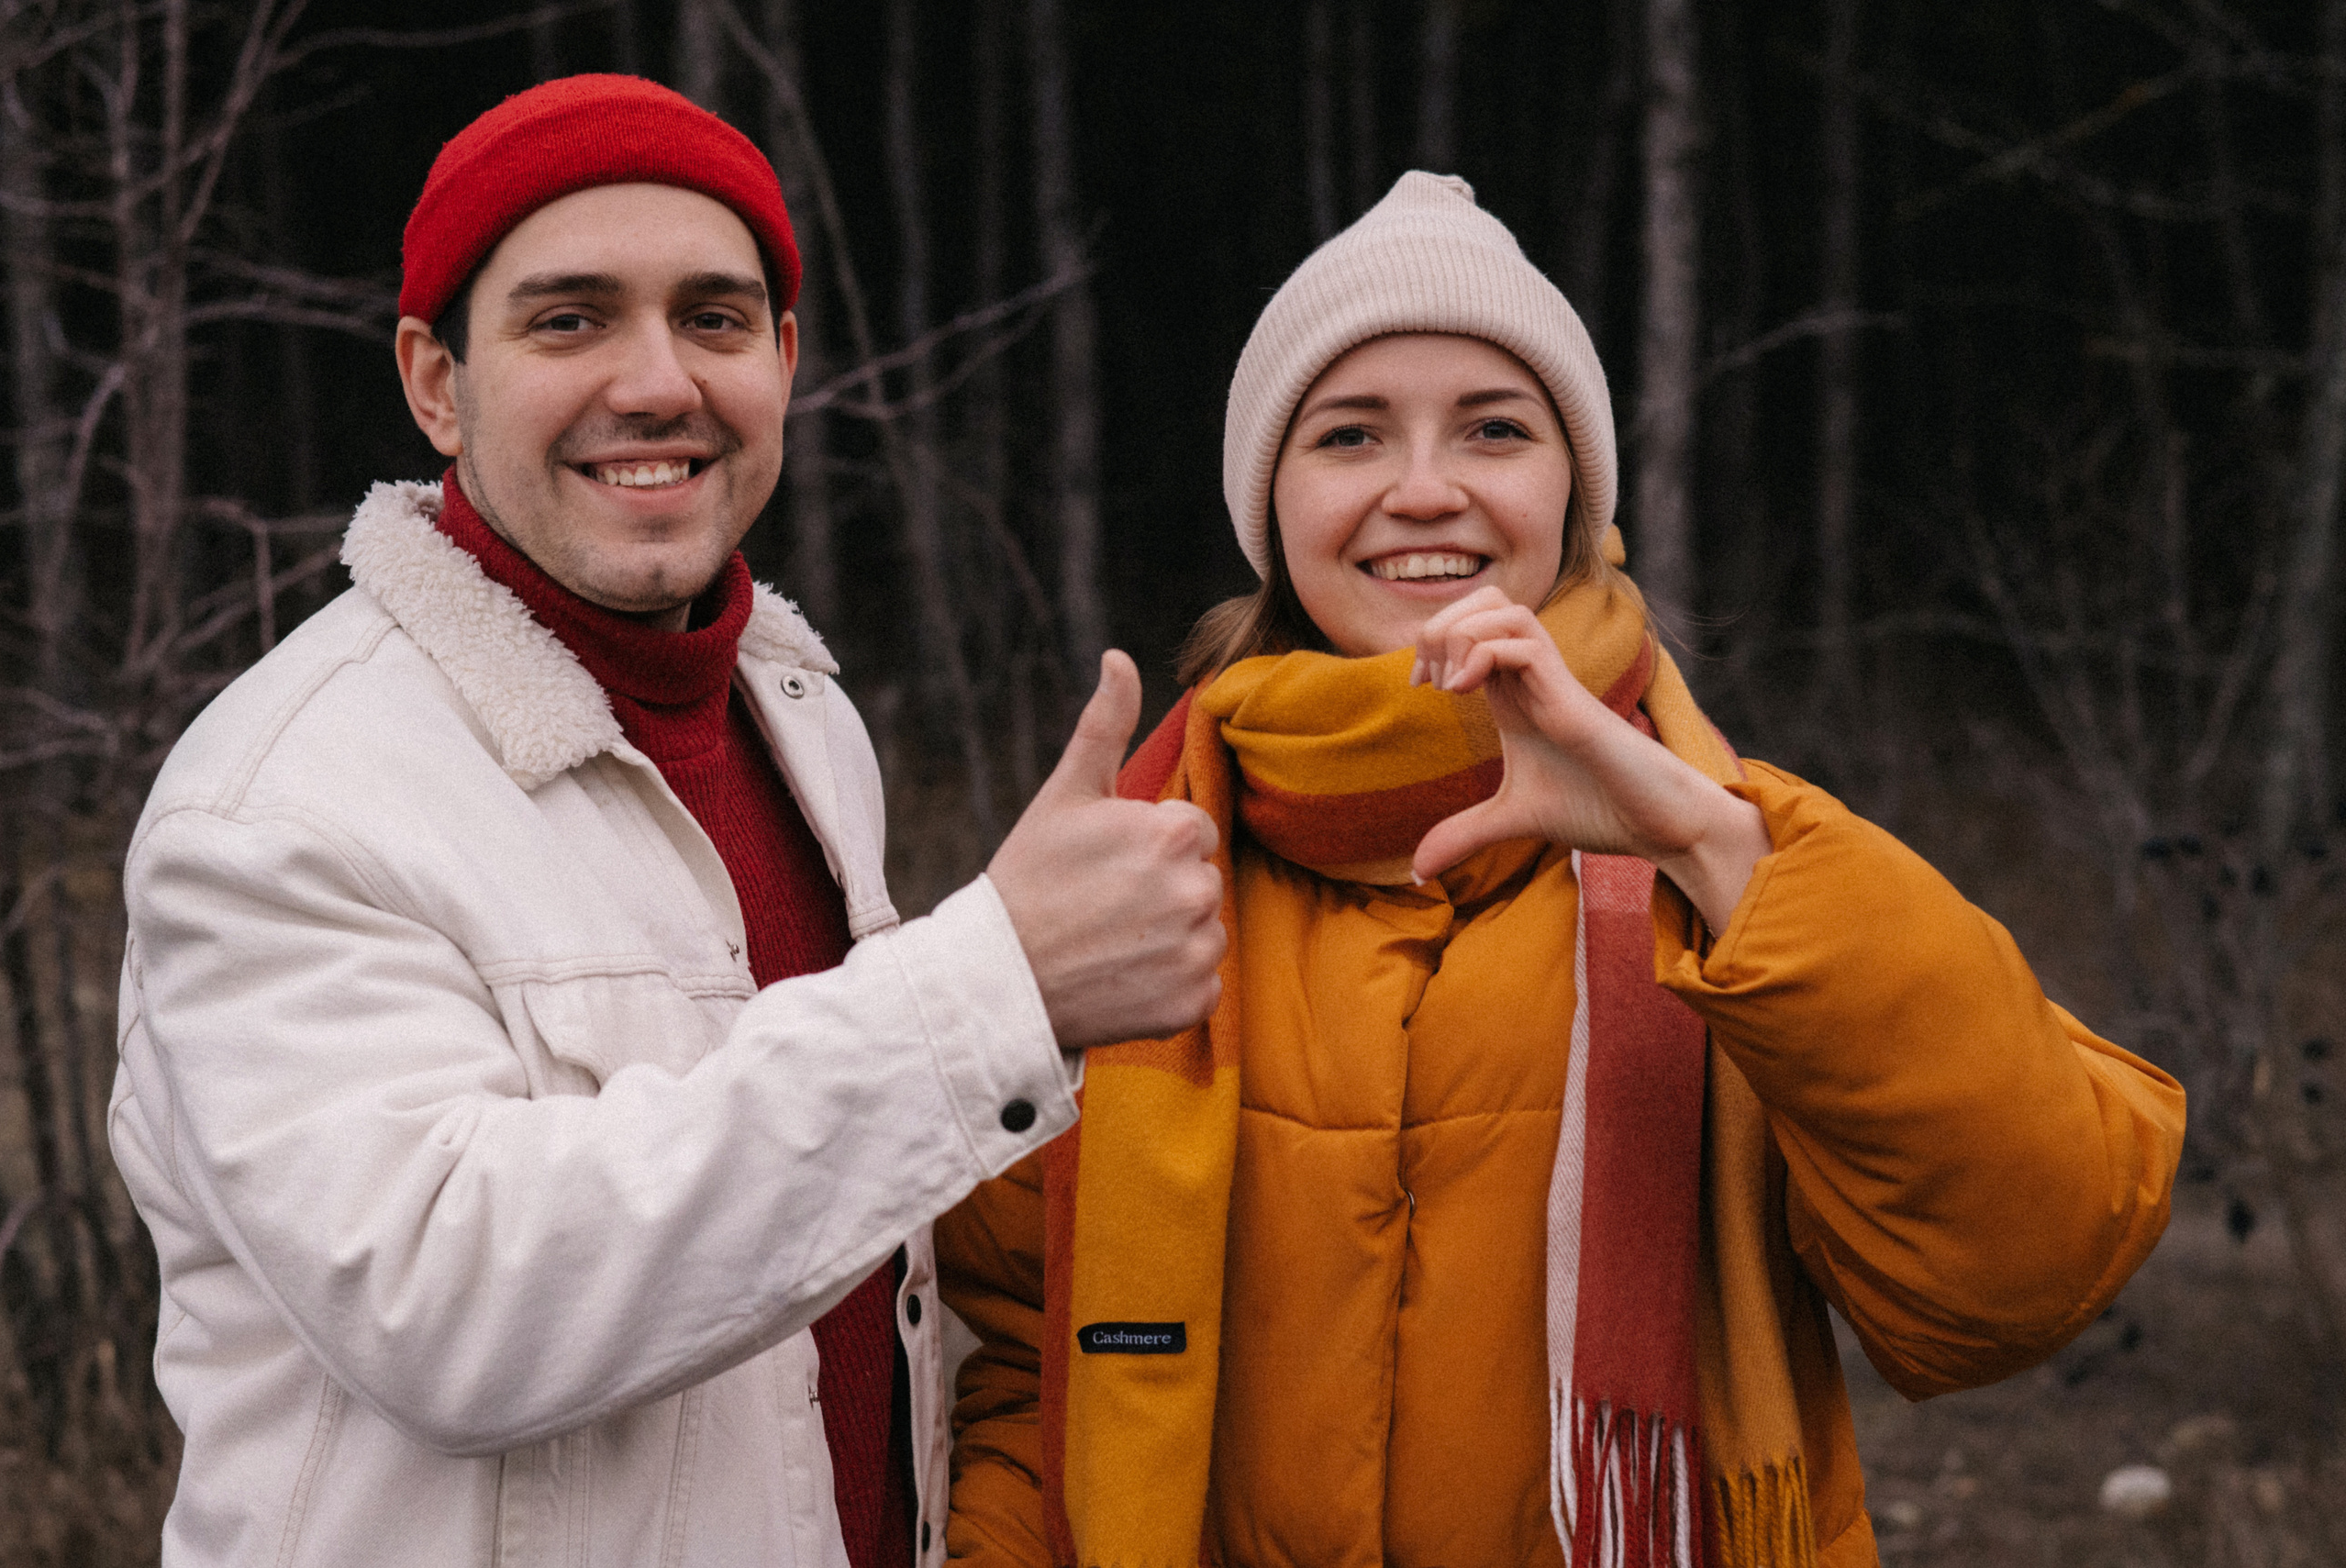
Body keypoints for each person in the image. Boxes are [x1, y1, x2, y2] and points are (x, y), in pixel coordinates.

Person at [936, 172, 2186, 1568]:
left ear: (1577, 495)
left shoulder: (1740, 859)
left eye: (1494, 428)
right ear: (1271, 504)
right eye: (1351, 434)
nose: (1426, 487)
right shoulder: (1131, 869)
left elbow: (2023, 1271)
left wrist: (1716, 848)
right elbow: (1020, 1355)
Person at [106, 75, 1224, 1568]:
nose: (657, 383)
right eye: (569, 320)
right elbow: (456, 1307)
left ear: (783, 358)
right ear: (435, 380)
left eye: (712, 317)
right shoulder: (278, 804)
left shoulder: (803, 715)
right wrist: (993, 990)